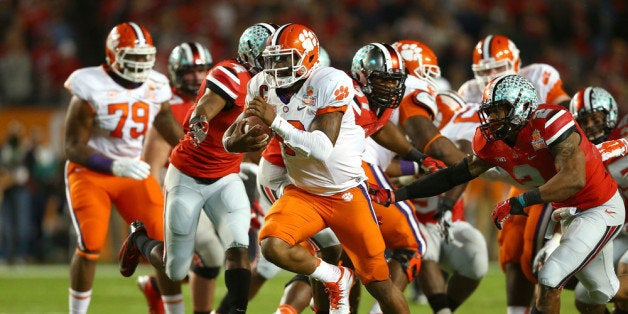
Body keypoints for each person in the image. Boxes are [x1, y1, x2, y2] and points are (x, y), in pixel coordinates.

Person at [370, 74, 625, 314]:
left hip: (599, 208)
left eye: (498, 110)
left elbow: (574, 178)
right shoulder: (491, 140)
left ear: (523, 106)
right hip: (569, 213)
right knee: (602, 292)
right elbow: (454, 175)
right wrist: (397, 195)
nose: (492, 118)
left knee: (549, 275)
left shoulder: (550, 122)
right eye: (489, 111)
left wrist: (520, 201)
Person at [240, 23, 410, 313]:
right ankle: (335, 278)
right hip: (301, 190)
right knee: (274, 246)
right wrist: (239, 137)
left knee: (378, 281)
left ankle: (335, 285)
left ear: (308, 59)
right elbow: (245, 134)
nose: (277, 67)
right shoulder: (264, 85)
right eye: (273, 60)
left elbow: (322, 148)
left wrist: (274, 122)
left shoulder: (332, 81)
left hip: (345, 193)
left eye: (285, 59)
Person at [63, 22, 184, 314]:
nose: (142, 64)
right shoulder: (90, 85)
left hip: (134, 173)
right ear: (113, 55)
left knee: (169, 251)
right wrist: (113, 164)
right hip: (93, 173)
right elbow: (72, 147)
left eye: (146, 57)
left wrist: (194, 149)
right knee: (90, 244)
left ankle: (174, 311)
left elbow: (166, 123)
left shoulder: (156, 85)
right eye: (135, 57)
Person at [457, 34, 572, 314]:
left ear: (517, 63)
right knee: (510, 247)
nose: (491, 77)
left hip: (552, 176)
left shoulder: (539, 76)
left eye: (498, 68)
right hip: (518, 175)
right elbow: (463, 145)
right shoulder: (470, 93)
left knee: (535, 254)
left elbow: (568, 113)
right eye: (485, 72)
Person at [391, 39, 488, 314]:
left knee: (477, 257)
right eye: (423, 75)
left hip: (443, 216)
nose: (429, 90)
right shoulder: (388, 119)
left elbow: (464, 159)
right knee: (420, 245)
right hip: (401, 214)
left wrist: (446, 205)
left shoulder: (449, 113)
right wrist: (416, 169)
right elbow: (385, 168)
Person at [137, 41, 224, 314]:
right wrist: (155, 212)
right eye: (189, 71)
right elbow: (151, 167)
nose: (197, 76)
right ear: (175, 72)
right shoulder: (171, 106)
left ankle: (156, 290)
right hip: (176, 189)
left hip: (205, 186)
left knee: (205, 257)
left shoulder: (214, 97)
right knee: (206, 254)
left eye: (201, 69)